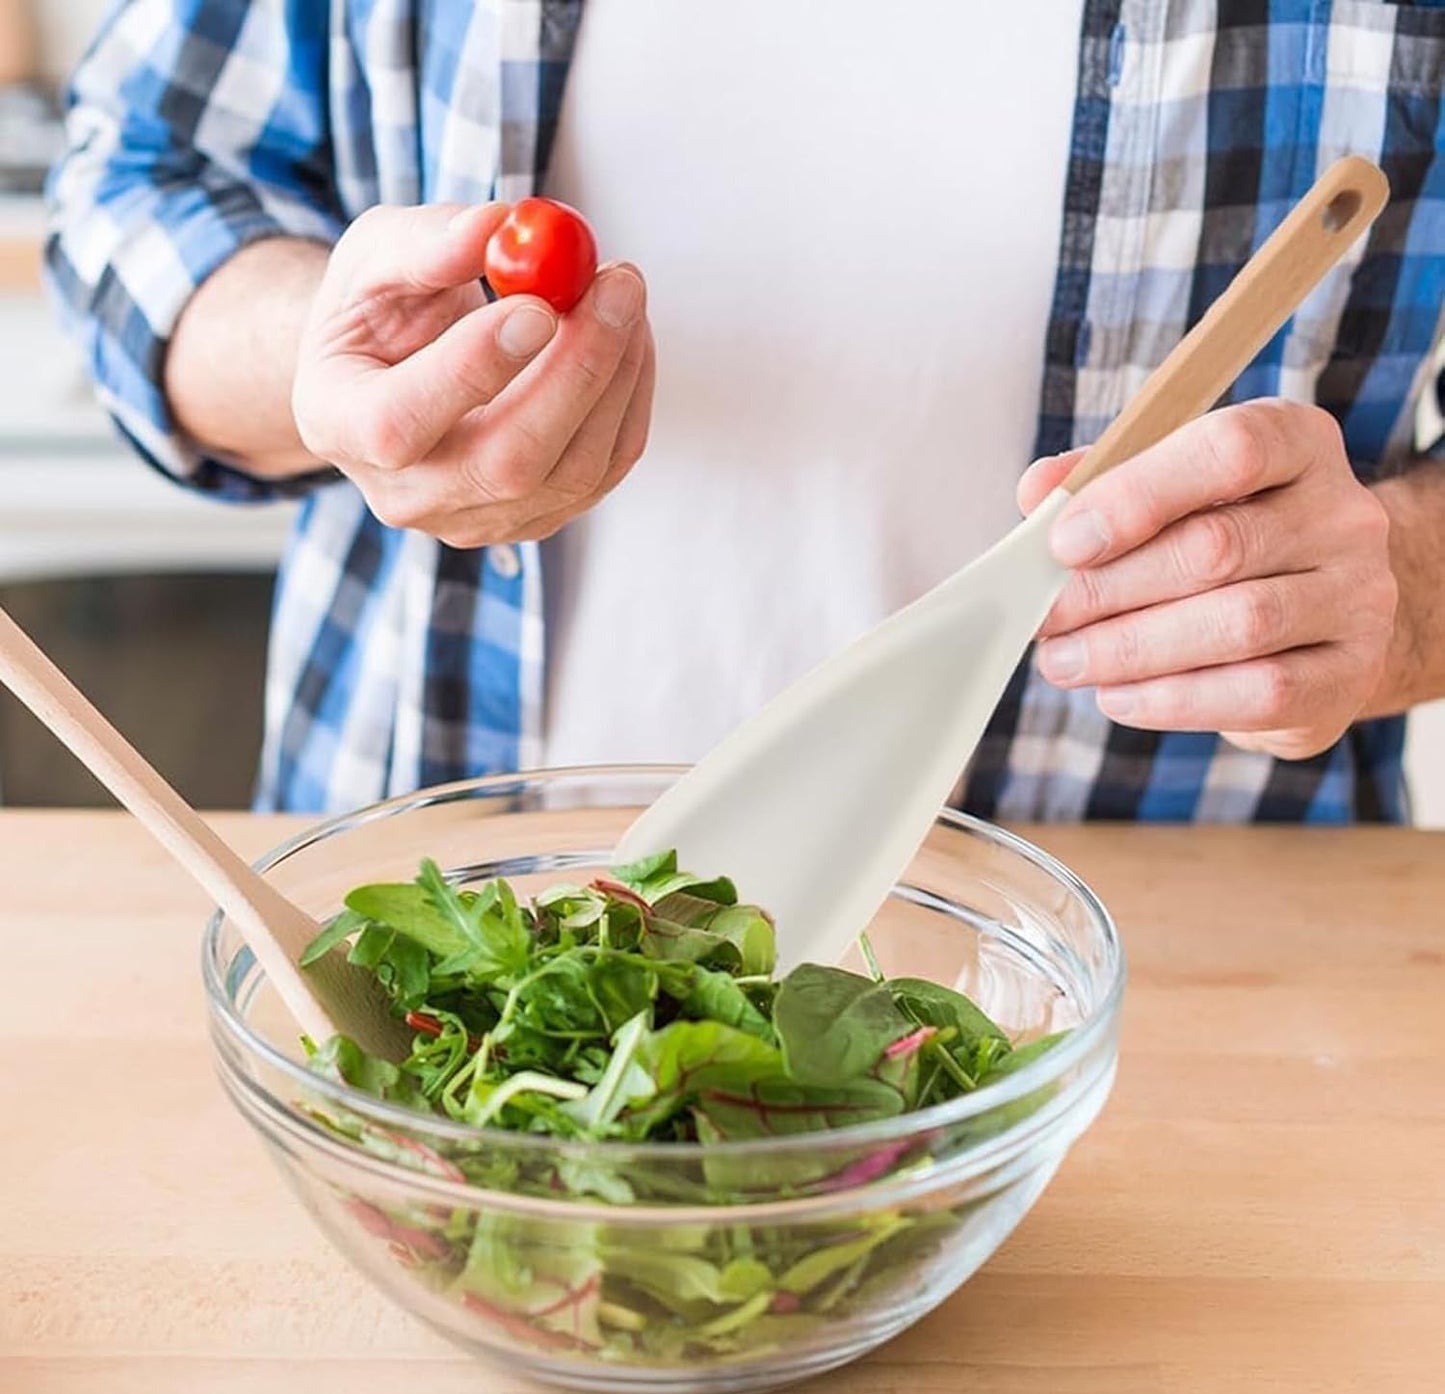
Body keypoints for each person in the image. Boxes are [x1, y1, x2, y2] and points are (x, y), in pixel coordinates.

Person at [45, 1, 1445, 822]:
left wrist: (1397, 588)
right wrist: (324, 368)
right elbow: (136, 181)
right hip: (435, 930)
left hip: (1185, 993)